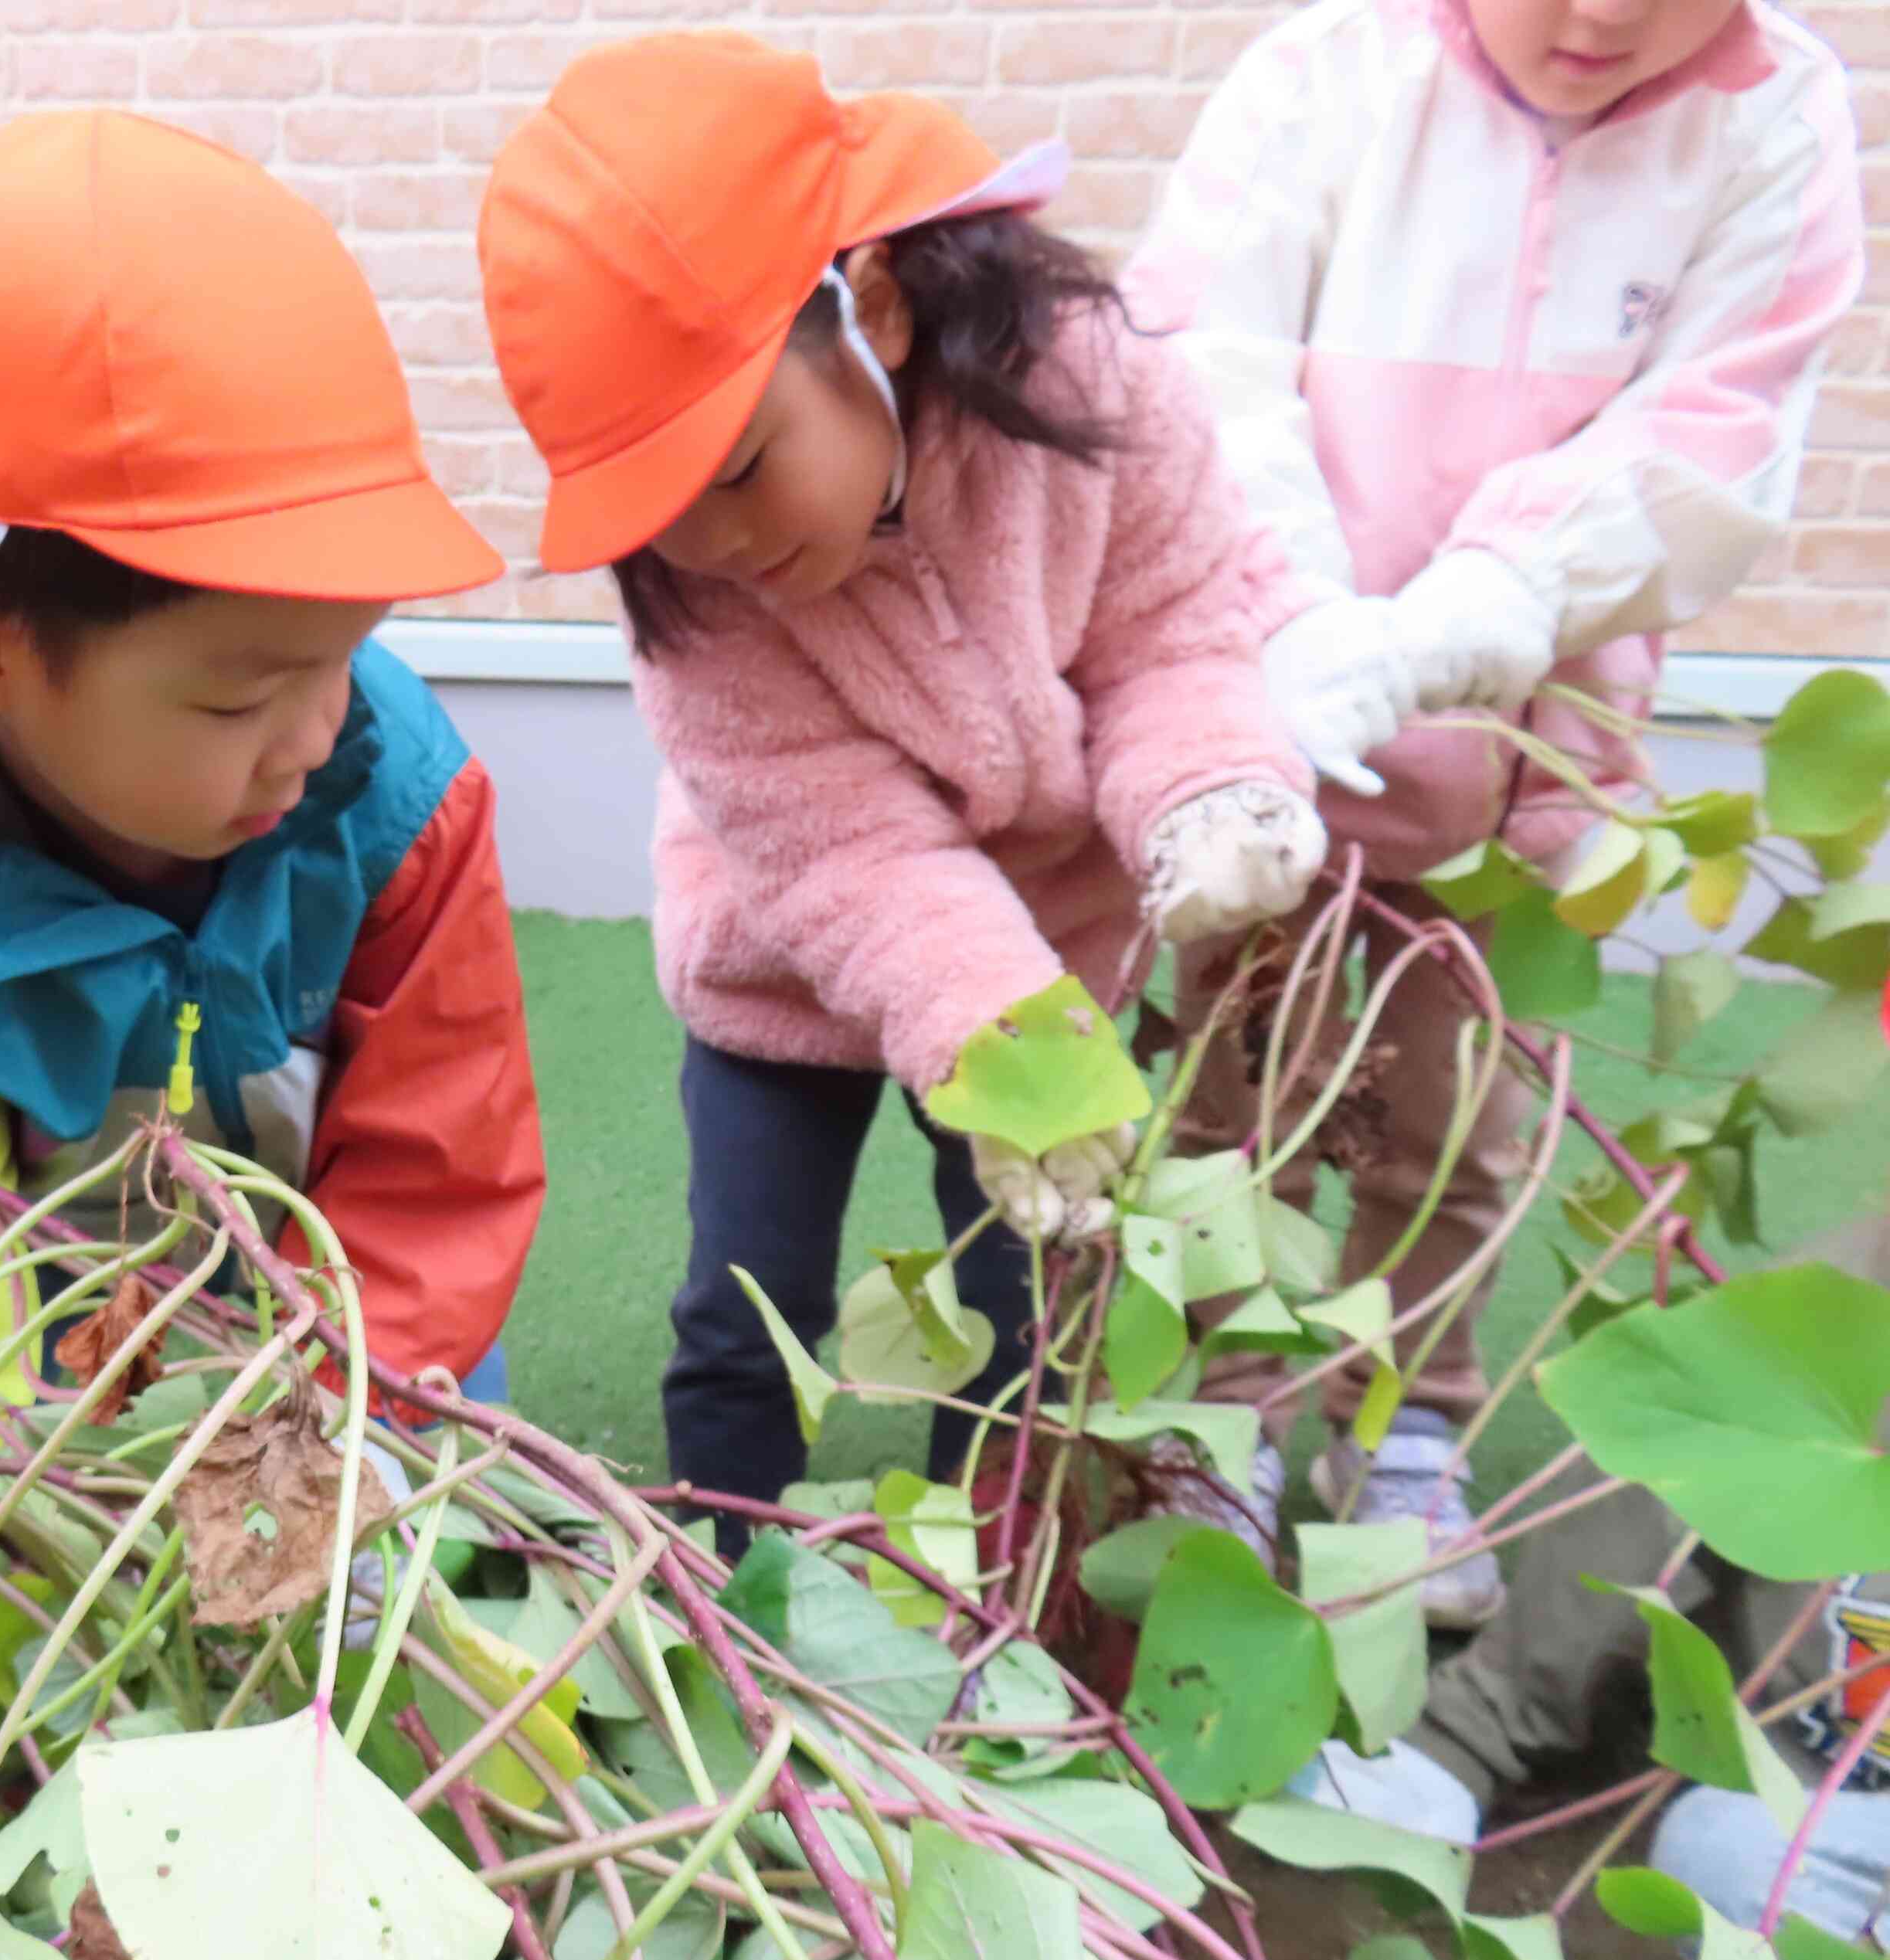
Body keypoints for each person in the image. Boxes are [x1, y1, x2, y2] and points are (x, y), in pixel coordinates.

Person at [471, 32, 1328, 1541]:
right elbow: (839, 851)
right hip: (786, 964)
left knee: (1022, 1302)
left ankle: (993, 1582)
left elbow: (1174, 633)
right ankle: (711, 1567)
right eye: (663, 513)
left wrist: (1207, 791)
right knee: (752, 1301)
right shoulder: (694, 605)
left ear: (864, 309)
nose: (716, 547)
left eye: (738, 469)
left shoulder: (1100, 391)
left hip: (1050, 954)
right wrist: (977, 1023)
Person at [1123, 0, 1866, 1627]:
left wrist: (1470, 609)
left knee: (1465, 1135)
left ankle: (1405, 1424)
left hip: (1534, 778)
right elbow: (1198, 362)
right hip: (1286, 737)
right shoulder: (1326, 76)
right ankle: (1230, 1411)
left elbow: (1709, 438)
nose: (1607, 14)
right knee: (1238, 1116)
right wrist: (1306, 613)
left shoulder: (1772, 118)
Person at [0, 111, 545, 1523]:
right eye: (239, 705)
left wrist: (321, 1452)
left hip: (343, 1353)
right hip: (67, 1397)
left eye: (343, 659)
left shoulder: (397, 801)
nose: (313, 741)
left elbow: (436, 1180)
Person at [1293, 1209, 1890, 1948]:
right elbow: (1656, 1450)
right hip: (1807, 1805)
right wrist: (1466, 1735)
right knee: (1717, 1856)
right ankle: (1465, 1735)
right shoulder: (1846, 1305)